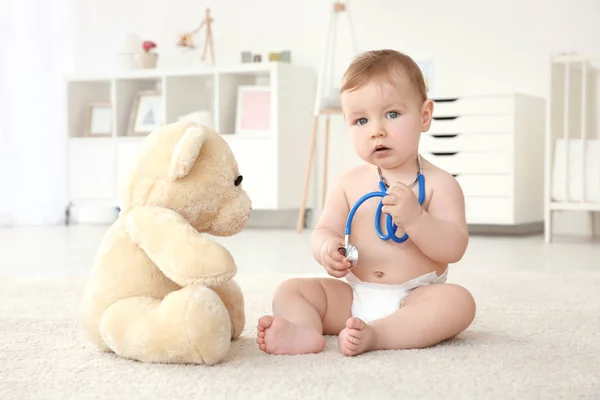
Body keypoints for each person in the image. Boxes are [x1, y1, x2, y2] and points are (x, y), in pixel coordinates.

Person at [256, 49, 476, 356]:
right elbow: (324, 230)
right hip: (353, 296)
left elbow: (454, 248)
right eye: (361, 120)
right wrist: (327, 250)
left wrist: (416, 220)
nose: (377, 131)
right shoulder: (349, 183)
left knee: (458, 303)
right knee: (290, 291)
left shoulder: (442, 185)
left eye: (392, 114)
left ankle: (380, 335)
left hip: (415, 296)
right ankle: (305, 330)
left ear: (424, 116)